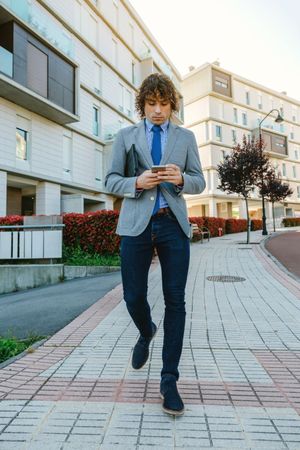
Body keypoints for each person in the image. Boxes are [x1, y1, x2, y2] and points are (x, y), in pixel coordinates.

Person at [105, 73, 205, 416]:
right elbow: (110, 180)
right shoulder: (125, 136)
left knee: (175, 302)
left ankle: (168, 381)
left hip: (172, 225)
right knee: (132, 295)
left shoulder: (186, 137)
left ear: (172, 104)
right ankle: (146, 330)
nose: (158, 110)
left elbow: (199, 181)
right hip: (135, 225)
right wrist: (137, 181)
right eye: (152, 104)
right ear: (142, 104)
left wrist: (181, 179)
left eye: (164, 103)